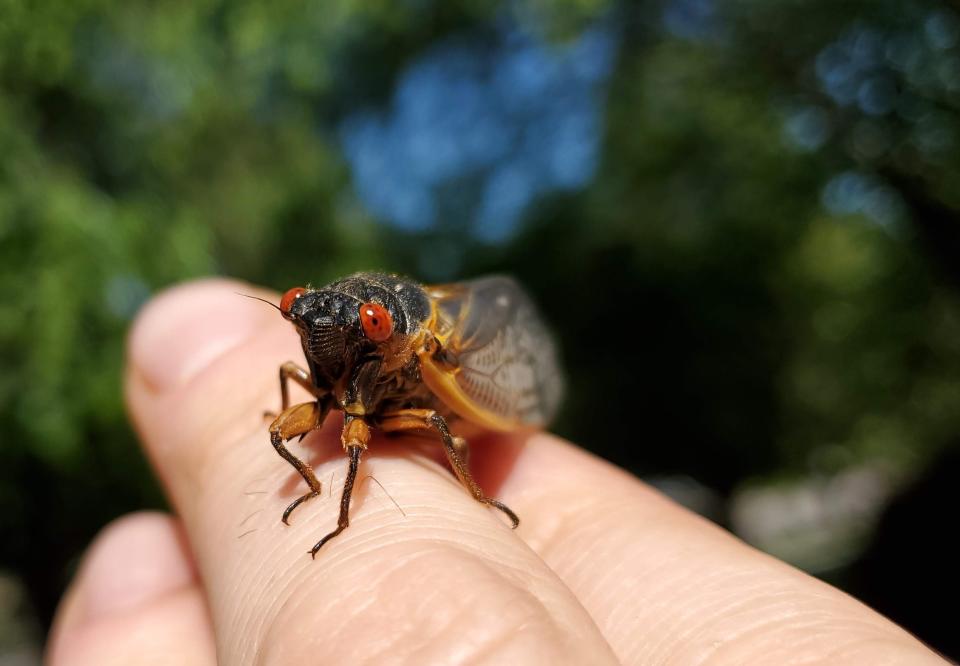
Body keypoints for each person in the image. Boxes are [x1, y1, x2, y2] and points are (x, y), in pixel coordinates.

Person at [46, 280, 947, 665]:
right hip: (351, 394)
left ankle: (439, 489)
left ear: (378, 327)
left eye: (352, 324)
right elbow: (299, 386)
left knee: (437, 418)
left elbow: (445, 415)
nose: (308, 332)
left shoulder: (407, 343)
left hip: (437, 366)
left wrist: (469, 485)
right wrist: (312, 469)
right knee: (302, 417)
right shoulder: (312, 356)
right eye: (294, 314)